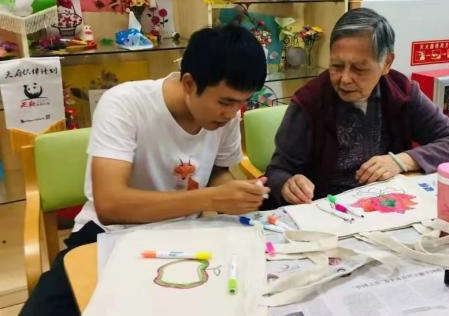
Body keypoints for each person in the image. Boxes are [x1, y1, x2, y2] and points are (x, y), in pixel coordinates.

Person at [21, 25, 270, 315]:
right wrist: (211, 198)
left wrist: (235, 194)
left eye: (242, 102)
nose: (233, 113)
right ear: (189, 83)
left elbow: (217, 171)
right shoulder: (125, 104)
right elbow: (110, 205)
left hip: (185, 234)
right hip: (109, 234)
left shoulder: (225, 117)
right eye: (226, 102)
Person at [266, 8, 449, 205]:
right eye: (336, 66)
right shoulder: (309, 102)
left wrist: (401, 161)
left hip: (388, 204)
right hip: (329, 209)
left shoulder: (402, 93)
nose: (345, 79)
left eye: (359, 68)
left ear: (387, 63)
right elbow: (277, 171)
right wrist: (287, 184)